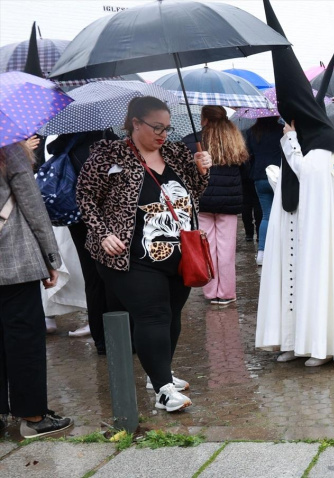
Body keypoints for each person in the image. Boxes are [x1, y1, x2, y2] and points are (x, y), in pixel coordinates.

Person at [76, 96, 211, 411]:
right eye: (156, 127)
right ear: (135, 123)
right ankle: (164, 391)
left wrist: (203, 172)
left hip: (180, 253)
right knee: (153, 314)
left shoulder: (176, 153)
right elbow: (84, 197)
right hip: (129, 256)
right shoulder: (109, 155)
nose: (163, 134)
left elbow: (193, 194)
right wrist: (103, 233)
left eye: (167, 127)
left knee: (172, 315)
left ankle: (158, 372)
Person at [254, 26, 334, 367]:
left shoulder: (324, 145)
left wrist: (291, 143)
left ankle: (321, 345)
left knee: (315, 280)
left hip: (317, 234)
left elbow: (312, 177)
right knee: (292, 281)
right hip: (294, 226)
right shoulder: (307, 142)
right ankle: (292, 340)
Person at [0, 141, 74, 438]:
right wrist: (51, 257)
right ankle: (33, 415)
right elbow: (31, 203)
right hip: (13, 259)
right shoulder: (8, 148)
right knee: (24, 339)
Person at [47, 130, 118, 352]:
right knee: (111, 275)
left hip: (75, 218)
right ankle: (114, 338)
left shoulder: (65, 144)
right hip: (102, 219)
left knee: (92, 276)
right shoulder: (102, 145)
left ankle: (100, 338)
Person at [183, 106, 248, 306]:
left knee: (207, 248)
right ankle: (227, 293)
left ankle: (211, 292)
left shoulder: (192, 140)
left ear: (204, 119)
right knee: (227, 250)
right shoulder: (235, 138)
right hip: (229, 200)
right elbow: (244, 168)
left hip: (202, 200)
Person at [245, 116, 284, 266]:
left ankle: (262, 252)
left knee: (266, 215)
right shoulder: (282, 131)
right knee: (283, 214)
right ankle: (280, 250)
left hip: (260, 176)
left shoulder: (251, 132)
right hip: (279, 175)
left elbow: (250, 155)